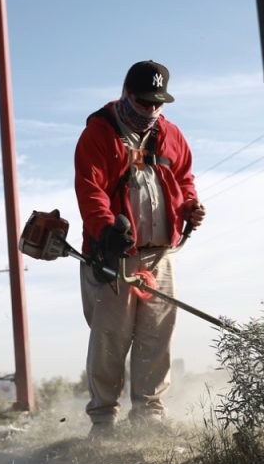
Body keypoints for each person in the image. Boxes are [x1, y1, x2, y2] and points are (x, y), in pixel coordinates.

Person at [74, 60, 206, 437]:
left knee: (157, 335)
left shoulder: (171, 135)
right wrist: (105, 229)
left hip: (160, 254)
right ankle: (103, 420)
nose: (150, 110)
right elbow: (90, 189)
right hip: (112, 256)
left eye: (157, 103)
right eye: (143, 102)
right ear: (126, 94)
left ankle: (149, 416)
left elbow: (184, 178)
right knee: (110, 339)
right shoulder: (98, 134)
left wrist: (189, 208)